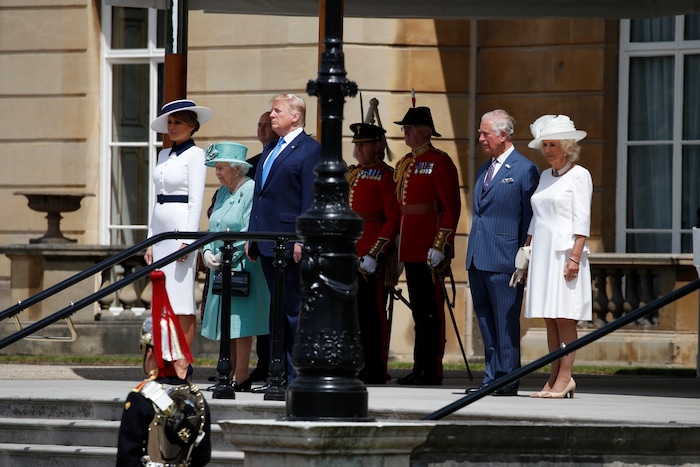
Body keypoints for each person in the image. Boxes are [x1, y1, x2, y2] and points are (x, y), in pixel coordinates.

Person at [246, 93, 321, 385]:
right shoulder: (272, 148)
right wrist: (253, 235)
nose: (271, 115)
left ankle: (295, 373)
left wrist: (303, 239)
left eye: (277, 110)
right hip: (266, 242)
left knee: (293, 310)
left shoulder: (310, 150)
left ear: (295, 116)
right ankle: (277, 371)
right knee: (276, 311)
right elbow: (259, 194)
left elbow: (309, 199)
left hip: (291, 243)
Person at [465, 109, 540, 396]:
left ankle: (508, 379)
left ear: (504, 135)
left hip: (505, 259)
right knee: (485, 321)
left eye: (485, 133)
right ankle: (491, 378)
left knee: (505, 322)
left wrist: (525, 258)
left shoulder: (525, 169)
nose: (480, 138)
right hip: (478, 257)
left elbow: (530, 218)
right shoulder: (486, 168)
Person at [524, 114, 592, 399]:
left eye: (553, 144)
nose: (548, 150)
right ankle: (552, 378)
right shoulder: (544, 176)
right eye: (545, 145)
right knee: (550, 319)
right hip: (542, 255)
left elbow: (583, 221)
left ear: (566, 146)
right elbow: (535, 219)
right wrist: (526, 252)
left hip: (565, 255)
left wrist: (575, 258)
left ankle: (566, 378)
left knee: (565, 318)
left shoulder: (580, 175)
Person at [392, 106, 460, 386]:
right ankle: (420, 368)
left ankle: (431, 369)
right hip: (410, 247)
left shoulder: (439, 161)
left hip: (429, 248)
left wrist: (440, 243)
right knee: (419, 310)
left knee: (431, 311)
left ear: (426, 132)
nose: (405, 133)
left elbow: (451, 207)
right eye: (404, 128)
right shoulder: (407, 162)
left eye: (411, 128)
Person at [116, 271, 211, 467]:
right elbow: (202, 457)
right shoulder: (197, 398)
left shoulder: (139, 399)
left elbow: (127, 459)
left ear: (150, 353)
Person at [200, 142, 270, 392]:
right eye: (216, 167)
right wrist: (206, 251)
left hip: (243, 265)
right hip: (220, 265)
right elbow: (211, 226)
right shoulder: (221, 192)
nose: (217, 172)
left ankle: (241, 375)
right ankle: (225, 371)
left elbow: (247, 230)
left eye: (221, 167)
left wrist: (226, 254)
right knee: (225, 321)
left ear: (238, 168)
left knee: (241, 323)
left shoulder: (251, 189)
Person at [144, 99, 211, 350]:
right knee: (162, 296)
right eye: (169, 122)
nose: (171, 127)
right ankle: (163, 356)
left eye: (177, 122)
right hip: (160, 231)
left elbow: (195, 200)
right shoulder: (163, 154)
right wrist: (150, 239)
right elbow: (156, 199)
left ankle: (182, 361)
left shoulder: (196, 155)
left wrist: (189, 240)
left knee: (182, 299)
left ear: (192, 125)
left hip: (180, 231)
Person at [346, 121, 400, 384]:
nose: (358, 150)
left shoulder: (386, 176)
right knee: (352, 316)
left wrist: (375, 253)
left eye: (363, 145)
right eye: (356, 145)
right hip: (349, 254)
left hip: (369, 257)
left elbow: (392, 219)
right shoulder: (354, 174)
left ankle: (376, 368)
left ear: (377, 146)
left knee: (372, 315)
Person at [247, 110, 277, 383]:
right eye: (260, 124)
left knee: (274, 309)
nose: (262, 128)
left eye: (267, 124)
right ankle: (262, 362)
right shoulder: (251, 165)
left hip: (278, 246)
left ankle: (274, 363)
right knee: (260, 312)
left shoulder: (282, 161)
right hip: (256, 248)